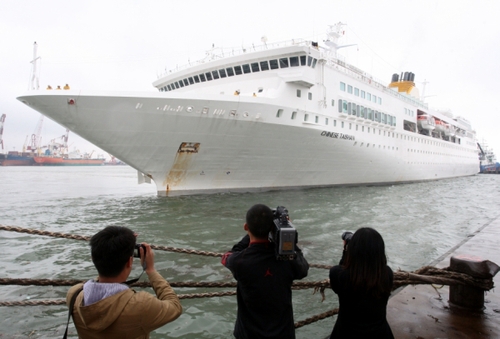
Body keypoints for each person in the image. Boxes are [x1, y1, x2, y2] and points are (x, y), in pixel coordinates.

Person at [66, 226, 182, 339]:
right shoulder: (140, 305)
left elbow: (104, 276)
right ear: (130, 261)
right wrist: (150, 270)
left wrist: (116, 245)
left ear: (92, 258)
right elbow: (175, 307)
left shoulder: (74, 295)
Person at [221, 204, 309, 339]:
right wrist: (288, 240)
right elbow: (303, 269)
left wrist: (252, 233)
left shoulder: (239, 261)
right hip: (283, 334)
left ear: (246, 227)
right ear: (272, 227)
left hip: (248, 334)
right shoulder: (288, 260)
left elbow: (227, 256)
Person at [329, 227, 394, 339]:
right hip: (380, 334)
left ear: (352, 250)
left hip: (345, 333)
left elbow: (343, 269)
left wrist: (346, 251)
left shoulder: (338, 274)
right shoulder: (387, 274)